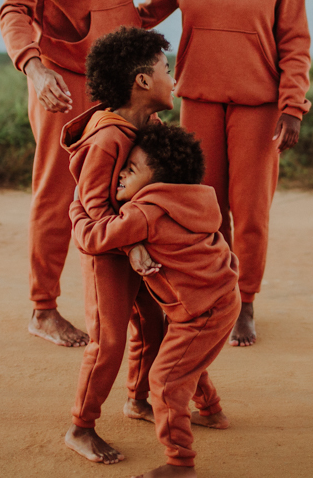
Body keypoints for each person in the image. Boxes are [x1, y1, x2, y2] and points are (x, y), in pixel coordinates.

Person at [0, 0, 169, 347]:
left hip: (119, 77)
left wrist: (146, 18)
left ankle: (136, 297)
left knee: (134, 179)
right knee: (60, 190)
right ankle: (42, 308)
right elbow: (15, 8)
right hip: (64, 80)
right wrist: (34, 65)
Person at [138, 0, 311, 347]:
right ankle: (213, 295)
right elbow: (146, 15)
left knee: (250, 210)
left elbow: (295, 42)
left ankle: (246, 302)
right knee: (203, 208)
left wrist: (292, 104)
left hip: (259, 106)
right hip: (199, 101)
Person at [70, 123, 240, 478]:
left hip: (199, 311)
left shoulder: (145, 212)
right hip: (219, 299)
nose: (120, 177)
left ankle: (180, 463)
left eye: (130, 171)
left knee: (165, 381)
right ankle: (210, 411)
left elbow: (93, 237)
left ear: (158, 182)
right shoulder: (199, 199)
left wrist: (77, 205)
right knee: (186, 359)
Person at [60, 27, 174, 464]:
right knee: (108, 340)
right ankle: (81, 426)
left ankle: (137, 400)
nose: (173, 79)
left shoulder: (151, 126)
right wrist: (130, 248)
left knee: (153, 324)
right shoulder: (109, 137)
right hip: (106, 251)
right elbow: (92, 209)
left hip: (136, 248)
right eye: (167, 69)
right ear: (143, 81)